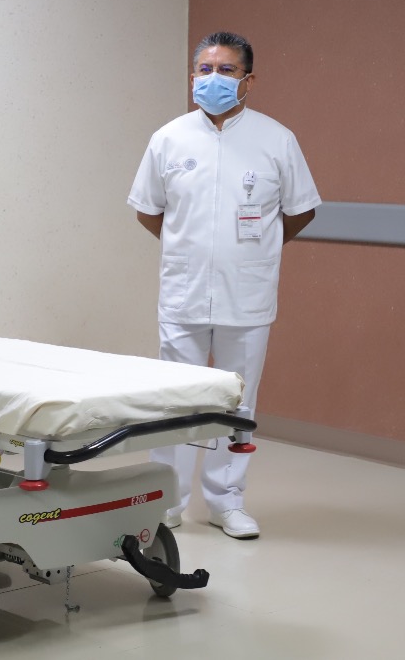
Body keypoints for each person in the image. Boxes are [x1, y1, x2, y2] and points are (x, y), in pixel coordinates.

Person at [127, 30, 320, 539]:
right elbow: (148, 210)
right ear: (193, 76)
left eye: (227, 70)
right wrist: (191, 248)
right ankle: (166, 499)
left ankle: (226, 501)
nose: (213, 79)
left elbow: (300, 210)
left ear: (248, 80)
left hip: (247, 293)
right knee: (172, 400)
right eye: (205, 69)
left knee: (237, 402)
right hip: (184, 291)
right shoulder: (168, 138)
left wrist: (256, 251)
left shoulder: (276, 139)